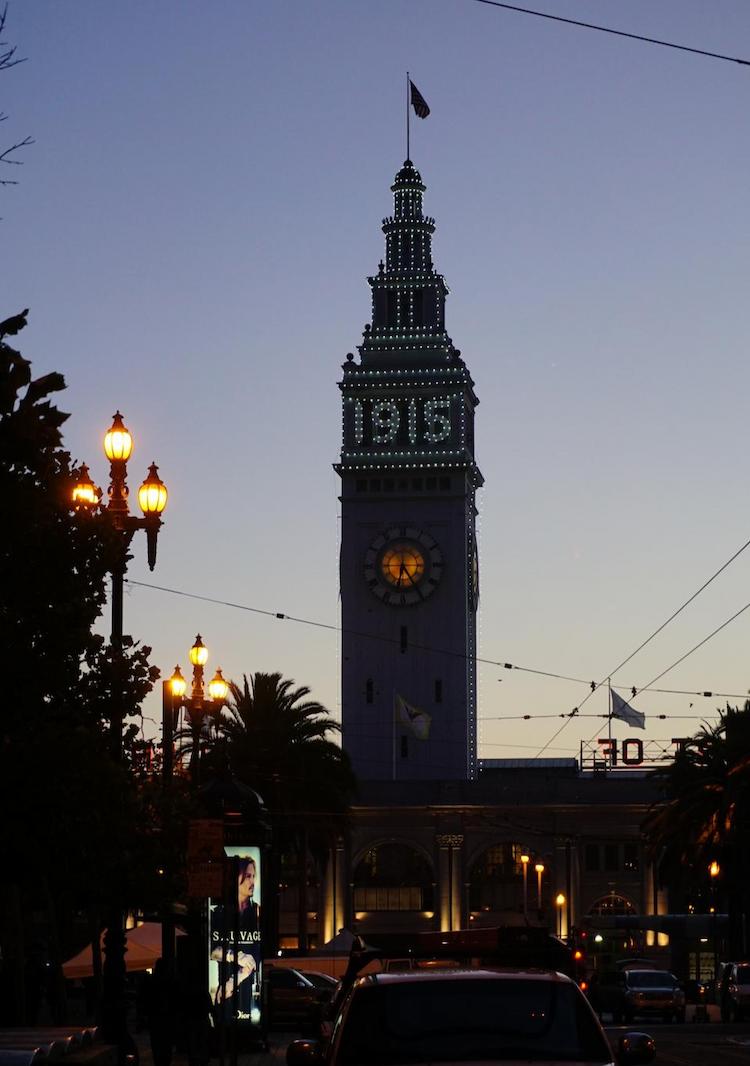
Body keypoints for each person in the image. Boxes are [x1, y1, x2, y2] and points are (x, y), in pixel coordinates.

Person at [209, 856, 262, 1022]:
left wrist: (233, 981)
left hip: (240, 991)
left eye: (254, 876)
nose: (252, 881)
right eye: (247, 876)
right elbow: (212, 950)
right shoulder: (218, 912)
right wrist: (237, 956)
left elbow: (255, 958)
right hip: (222, 990)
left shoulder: (257, 912)